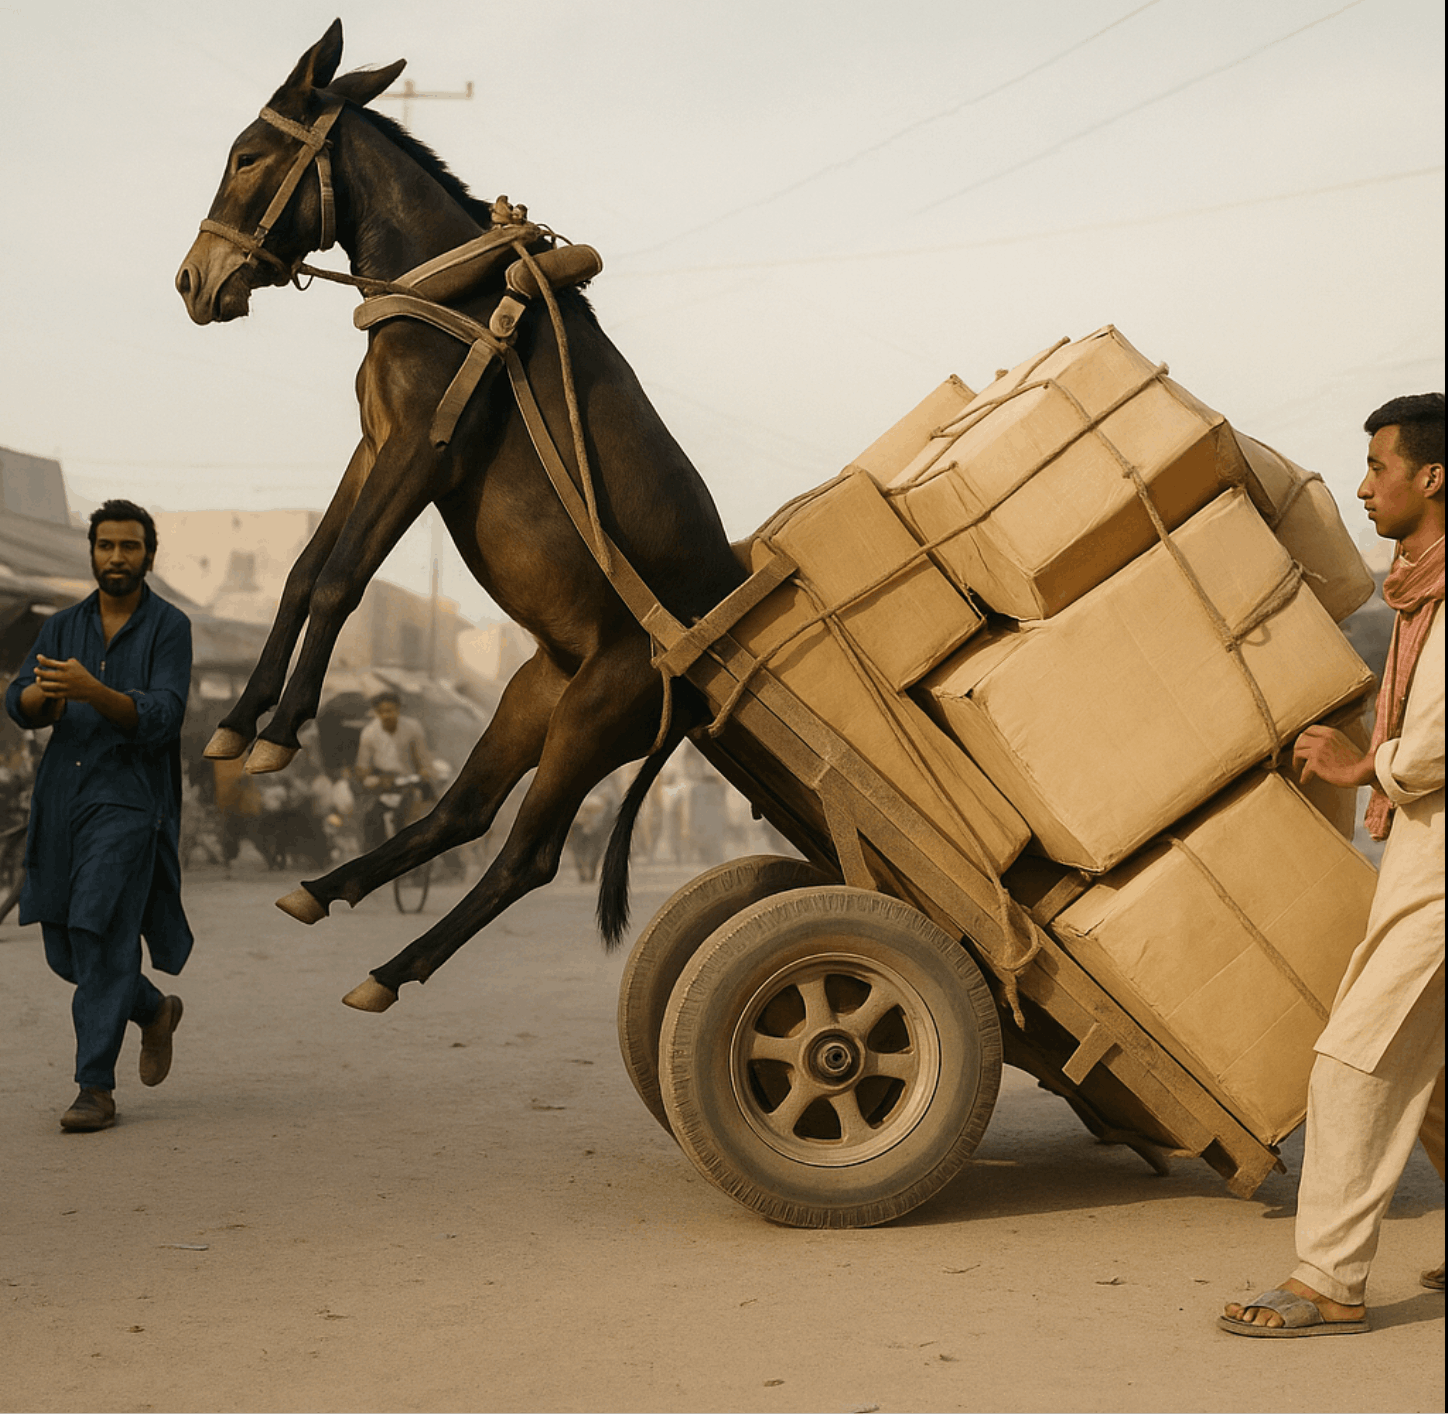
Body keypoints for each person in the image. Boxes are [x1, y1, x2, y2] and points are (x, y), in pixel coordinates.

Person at [1221, 393, 1445, 1336]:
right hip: (1426, 851)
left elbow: (1434, 743)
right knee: (1432, 1076)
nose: (1361, 486)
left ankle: (1329, 1281)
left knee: (1357, 1061)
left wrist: (1368, 765)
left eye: (1378, 467)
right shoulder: (1419, 589)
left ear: (1433, 478)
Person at [4, 500, 194, 1133]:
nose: (117, 556)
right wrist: (43, 697)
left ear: (148, 555)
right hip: (61, 801)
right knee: (65, 951)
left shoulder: (170, 627)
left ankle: (94, 1088)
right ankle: (152, 1010)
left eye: (130, 546)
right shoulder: (60, 625)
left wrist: (96, 693)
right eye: (107, 545)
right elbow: (19, 698)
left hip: (130, 802)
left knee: (101, 933)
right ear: (91, 552)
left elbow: (164, 716)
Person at [354, 690, 431, 850]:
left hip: (411, 781)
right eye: (381, 712)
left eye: (390, 711)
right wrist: (368, 778)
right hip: (384, 783)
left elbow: (423, 757)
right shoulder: (369, 733)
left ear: (398, 709)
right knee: (371, 819)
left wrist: (425, 772)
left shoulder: (412, 727)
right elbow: (362, 766)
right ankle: (374, 861)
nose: (386, 715)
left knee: (429, 817)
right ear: (376, 713)